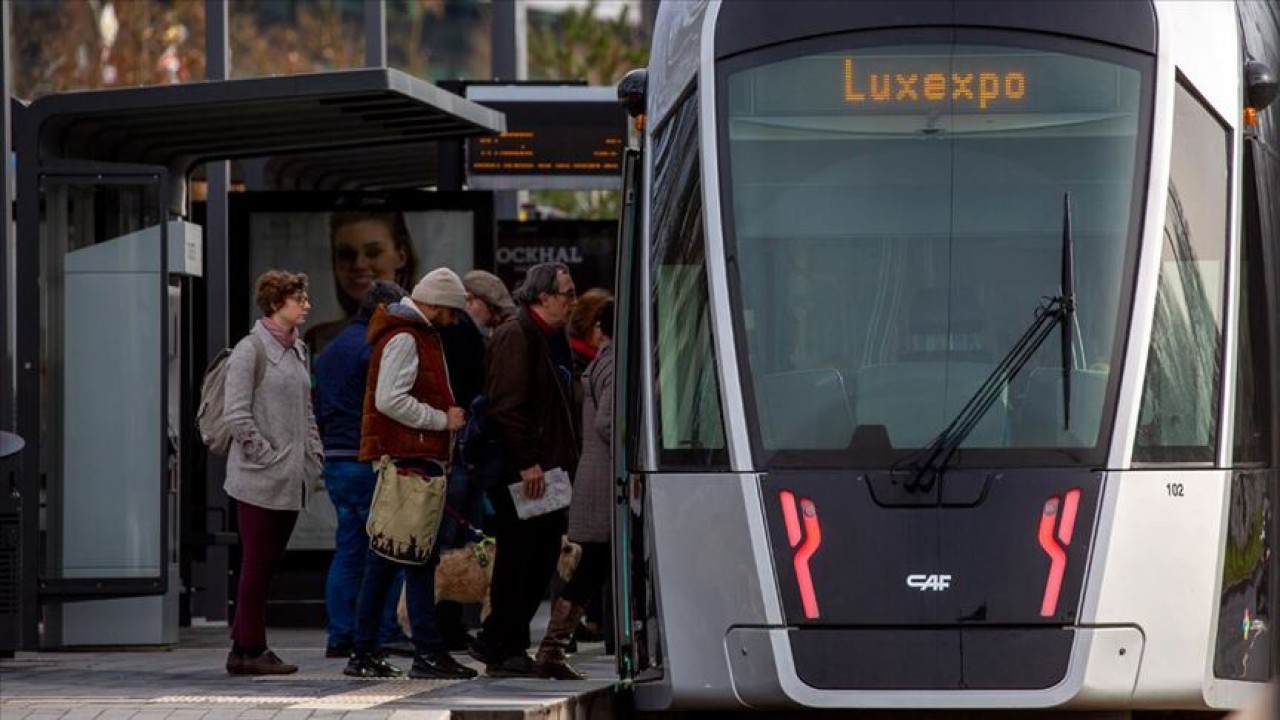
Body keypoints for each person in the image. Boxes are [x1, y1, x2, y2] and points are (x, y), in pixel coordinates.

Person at [343, 268, 478, 680]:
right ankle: (424, 653)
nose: (454, 320)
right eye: (452, 311)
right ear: (435, 304)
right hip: (409, 462)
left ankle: (368, 652)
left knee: (391, 559)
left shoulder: (410, 332)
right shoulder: (406, 336)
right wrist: (441, 419)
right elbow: (389, 399)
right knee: (413, 559)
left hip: (409, 460)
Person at [469, 262, 582, 678]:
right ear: (543, 297)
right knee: (521, 557)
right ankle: (499, 644)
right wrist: (527, 461)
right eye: (567, 293)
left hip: (549, 469)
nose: (572, 301)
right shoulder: (517, 334)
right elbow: (508, 405)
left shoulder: (551, 336)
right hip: (524, 471)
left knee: (540, 555)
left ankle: (505, 642)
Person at [223, 270, 324, 676]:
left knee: (266, 565)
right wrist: (264, 455)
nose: (306, 305)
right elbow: (236, 413)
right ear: (276, 303)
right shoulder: (251, 349)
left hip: (290, 476)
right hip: (258, 477)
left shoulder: (297, 348)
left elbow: (306, 407)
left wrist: (314, 451)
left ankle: (242, 647)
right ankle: (252, 648)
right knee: (257, 564)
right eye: (299, 298)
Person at [313, 280, 414, 659]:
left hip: (337, 460)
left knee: (348, 549)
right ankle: (385, 629)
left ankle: (340, 633)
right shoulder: (373, 349)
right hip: (367, 459)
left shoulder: (331, 349)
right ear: (382, 310)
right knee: (388, 548)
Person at [536, 297, 614, 680]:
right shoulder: (614, 363)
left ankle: (553, 645)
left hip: (597, 477)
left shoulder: (603, 360)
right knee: (593, 565)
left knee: (594, 565)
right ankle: (552, 647)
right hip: (606, 480)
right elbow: (608, 423)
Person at [306, 211, 420, 355]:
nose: (359, 264)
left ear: (401, 256)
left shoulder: (432, 332)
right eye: (346, 254)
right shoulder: (320, 339)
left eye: (373, 252)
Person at [567, 288, 611, 377]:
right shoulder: (572, 362)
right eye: (600, 325)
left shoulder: (609, 355)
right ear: (585, 323)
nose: (606, 331)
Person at [463, 270, 516, 338]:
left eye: (470, 299)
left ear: (489, 303)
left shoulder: (510, 332)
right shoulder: (497, 330)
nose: (467, 306)